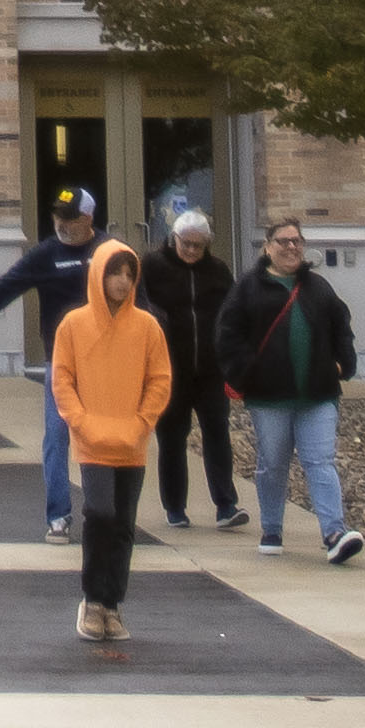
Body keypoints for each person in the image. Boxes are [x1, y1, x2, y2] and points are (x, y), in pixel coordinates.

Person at [0, 188, 104, 540]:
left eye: (69, 217)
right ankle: (59, 516)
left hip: (102, 365)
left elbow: (136, 300)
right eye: (57, 216)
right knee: (56, 437)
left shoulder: (108, 251)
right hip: (62, 363)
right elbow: (5, 287)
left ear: (88, 218)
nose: (61, 223)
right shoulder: (46, 254)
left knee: (101, 439)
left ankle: (102, 512)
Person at [215, 216, 365, 564]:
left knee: (320, 461)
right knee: (273, 464)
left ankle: (334, 533)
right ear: (267, 247)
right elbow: (228, 336)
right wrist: (247, 372)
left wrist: (344, 364)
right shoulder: (248, 289)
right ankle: (272, 529)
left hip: (318, 396)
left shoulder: (318, 288)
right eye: (283, 241)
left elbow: (341, 328)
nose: (291, 247)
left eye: (296, 241)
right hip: (269, 398)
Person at [47, 235, 174, 641]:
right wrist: (79, 421)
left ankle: (112, 605)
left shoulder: (147, 326)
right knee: (99, 515)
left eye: (128, 273)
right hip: (93, 440)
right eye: (114, 272)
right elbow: (62, 378)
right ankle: (92, 599)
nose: (121, 281)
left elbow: (160, 380)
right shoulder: (74, 325)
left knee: (123, 524)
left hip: (131, 442)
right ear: (98, 275)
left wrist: (142, 422)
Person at [146, 210, 244, 527]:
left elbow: (232, 315)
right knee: (172, 438)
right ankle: (175, 507)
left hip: (210, 370)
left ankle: (226, 505)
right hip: (169, 370)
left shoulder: (217, 271)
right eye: (185, 244)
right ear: (173, 238)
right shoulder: (152, 266)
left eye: (197, 246)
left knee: (217, 433)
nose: (190, 251)